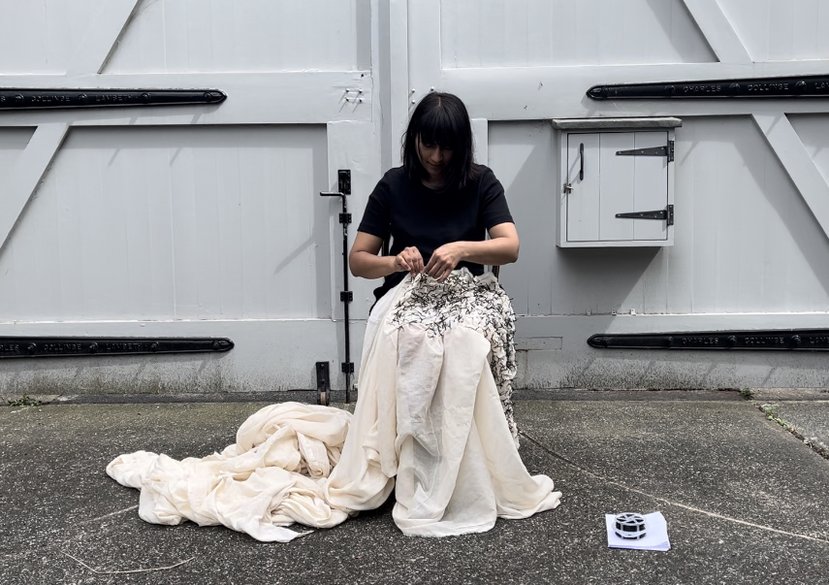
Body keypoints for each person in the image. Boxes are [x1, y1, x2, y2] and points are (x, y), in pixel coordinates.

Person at [349, 91, 520, 302]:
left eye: (447, 147)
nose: (437, 157)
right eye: (429, 145)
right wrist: (394, 262)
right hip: (406, 295)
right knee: (411, 335)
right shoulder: (392, 185)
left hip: (467, 295)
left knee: (464, 335)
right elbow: (357, 261)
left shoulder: (481, 182)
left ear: (461, 145)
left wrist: (460, 250)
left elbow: (511, 247)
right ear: (414, 138)